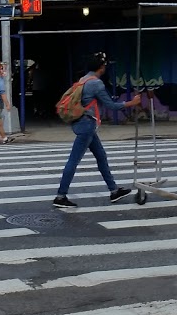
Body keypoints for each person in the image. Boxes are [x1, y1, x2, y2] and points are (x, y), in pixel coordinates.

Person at [53, 52, 141, 209]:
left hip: (85, 124)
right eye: (105, 65)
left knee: (101, 156)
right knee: (73, 161)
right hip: (86, 125)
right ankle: (60, 196)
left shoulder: (84, 79)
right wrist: (132, 103)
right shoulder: (96, 84)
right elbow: (111, 106)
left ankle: (114, 190)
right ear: (101, 67)